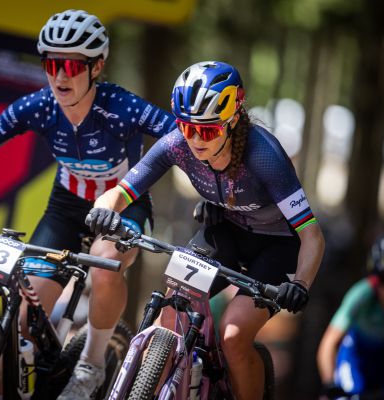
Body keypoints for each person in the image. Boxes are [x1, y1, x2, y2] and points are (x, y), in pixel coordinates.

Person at [0, 9, 177, 399]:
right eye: (51, 64)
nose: (60, 76)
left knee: (105, 265)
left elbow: (184, 138)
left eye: (71, 66)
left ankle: (91, 364)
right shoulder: (39, 105)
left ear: (96, 67)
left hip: (122, 205)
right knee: (20, 326)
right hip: (66, 206)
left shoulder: (121, 107)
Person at [86, 61, 325, 400]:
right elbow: (121, 192)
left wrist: (300, 284)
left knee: (232, 335)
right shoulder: (177, 144)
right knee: (170, 313)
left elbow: (312, 235)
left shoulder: (264, 156)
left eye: (208, 131)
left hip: (278, 247)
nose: (196, 139)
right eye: (186, 127)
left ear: (233, 120)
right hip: (226, 233)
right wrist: (104, 210)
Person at [317, 232, 384, 398]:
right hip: (356, 359)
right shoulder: (361, 295)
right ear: (376, 277)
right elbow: (328, 344)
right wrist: (329, 384)